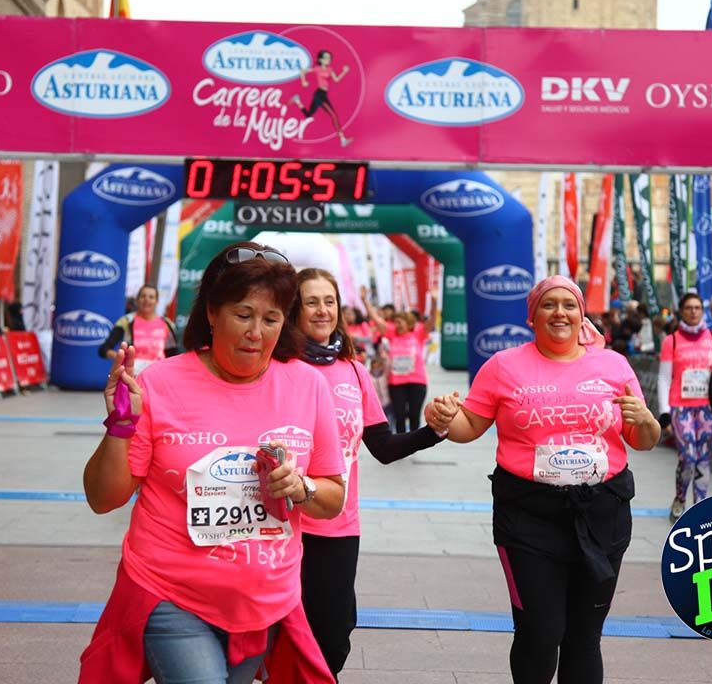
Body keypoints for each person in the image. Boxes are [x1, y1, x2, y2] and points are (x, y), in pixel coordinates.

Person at [78, 242, 345, 683]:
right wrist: (120, 427)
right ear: (212, 314)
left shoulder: (308, 386)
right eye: (243, 315)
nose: (256, 332)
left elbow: (332, 497)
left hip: (263, 603)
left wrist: (301, 488)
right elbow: (103, 499)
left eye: (271, 319)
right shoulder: (160, 383)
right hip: (170, 591)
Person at [424, 275, 660, 684]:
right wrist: (445, 419)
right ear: (532, 316)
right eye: (548, 305)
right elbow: (470, 425)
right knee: (540, 631)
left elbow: (642, 439)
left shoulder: (613, 365)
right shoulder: (504, 365)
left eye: (569, 305)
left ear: (581, 313)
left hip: (602, 513)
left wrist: (648, 422)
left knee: (584, 637)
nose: (559, 313)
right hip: (527, 517)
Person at [290, 268, 445, 677]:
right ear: (294, 309)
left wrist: (435, 431)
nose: (322, 310)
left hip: (338, 524)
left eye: (329, 301)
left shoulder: (354, 371)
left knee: (335, 631)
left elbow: (383, 447)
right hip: (283, 524)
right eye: (311, 301)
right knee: (283, 631)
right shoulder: (278, 366)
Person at [658, 292, 712, 523]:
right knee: (687, 458)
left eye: (697, 307)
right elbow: (663, 378)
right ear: (681, 311)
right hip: (681, 407)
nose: (693, 311)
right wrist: (665, 413)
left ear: (702, 310)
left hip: (708, 408)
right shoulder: (672, 340)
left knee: (703, 459)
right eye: (689, 307)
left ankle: (701, 508)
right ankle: (680, 498)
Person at [363, 291, 439, 433]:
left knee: (414, 415)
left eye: (399, 322)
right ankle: (401, 442)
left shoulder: (419, 334)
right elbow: (376, 319)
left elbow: (432, 320)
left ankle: (414, 442)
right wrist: (365, 301)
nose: (396, 325)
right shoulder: (392, 334)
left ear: (409, 323)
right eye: (395, 322)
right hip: (396, 382)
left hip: (417, 381)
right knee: (400, 414)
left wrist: (434, 302)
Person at [98, 284, 180, 374]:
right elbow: (104, 349)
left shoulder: (167, 324)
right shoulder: (126, 321)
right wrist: (120, 357)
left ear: (157, 301)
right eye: (143, 296)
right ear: (137, 300)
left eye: (151, 297)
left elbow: (173, 355)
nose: (146, 299)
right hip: (133, 375)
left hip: (159, 375)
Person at [290, 49, 353, 148]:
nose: (328, 60)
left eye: (329, 58)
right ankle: (342, 139)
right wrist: (303, 81)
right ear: (321, 59)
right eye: (326, 58)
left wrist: (344, 72)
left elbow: (336, 80)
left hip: (323, 94)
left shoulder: (330, 69)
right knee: (334, 115)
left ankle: (297, 101)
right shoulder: (317, 68)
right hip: (319, 95)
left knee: (308, 115)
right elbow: (303, 71)